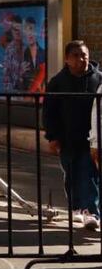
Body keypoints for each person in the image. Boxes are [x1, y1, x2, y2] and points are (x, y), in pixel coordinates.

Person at [44, 40, 101, 230]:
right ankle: (76, 208)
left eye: (84, 55)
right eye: (75, 56)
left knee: (89, 174)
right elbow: (49, 112)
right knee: (71, 174)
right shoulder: (57, 82)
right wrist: (52, 136)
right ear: (67, 59)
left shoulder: (98, 79)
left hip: (91, 139)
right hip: (67, 138)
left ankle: (91, 211)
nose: (81, 59)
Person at [22, 16, 47, 93]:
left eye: (31, 29)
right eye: (26, 30)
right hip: (24, 99)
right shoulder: (20, 55)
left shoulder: (44, 53)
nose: (29, 34)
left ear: (36, 31)